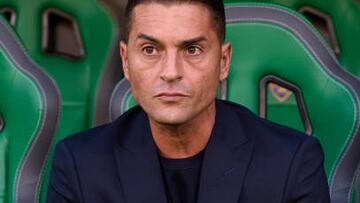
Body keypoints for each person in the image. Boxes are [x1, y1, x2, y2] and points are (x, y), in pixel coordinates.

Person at [47, 0, 330, 202]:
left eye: (192, 49)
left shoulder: (291, 162)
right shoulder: (79, 164)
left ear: (223, 61)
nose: (171, 72)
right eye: (149, 49)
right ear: (125, 61)